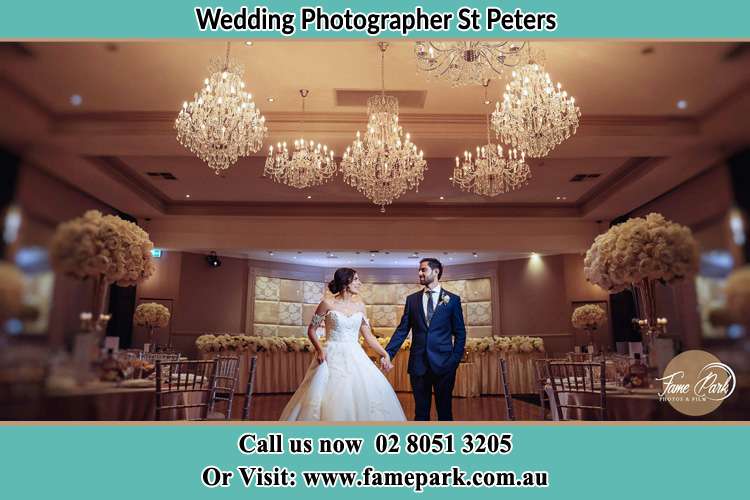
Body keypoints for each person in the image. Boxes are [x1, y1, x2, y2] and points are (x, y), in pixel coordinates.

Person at [280, 268, 406, 421]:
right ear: (346, 282)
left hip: (355, 354)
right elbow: (311, 330)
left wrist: (384, 353)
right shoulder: (326, 304)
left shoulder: (360, 306)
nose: (360, 283)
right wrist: (320, 350)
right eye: (356, 279)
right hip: (331, 354)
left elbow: (369, 337)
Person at [384, 258, 466, 421]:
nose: (419, 273)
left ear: (436, 272)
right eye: (419, 270)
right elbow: (402, 330)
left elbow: (460, 332)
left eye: (423, 270)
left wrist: (454, 360)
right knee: (421, 413)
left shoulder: (453, 300)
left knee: (445, 412)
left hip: (445, 364)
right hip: (419, 364)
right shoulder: (412, 300)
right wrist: (388, 353)